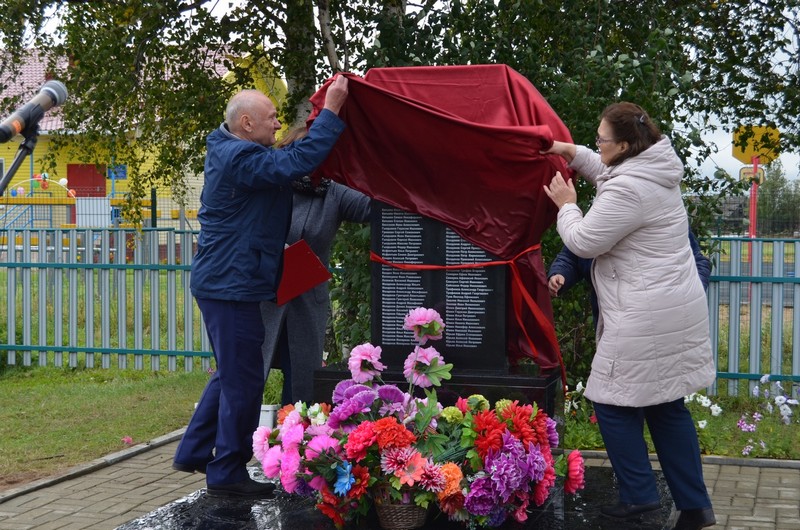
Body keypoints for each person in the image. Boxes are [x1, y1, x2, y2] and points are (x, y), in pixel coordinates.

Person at [172, 76, 349, 499]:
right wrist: (332, 112)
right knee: (245, 380)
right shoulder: (240, 158)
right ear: (247, 122)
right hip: (230, 285)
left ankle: (195, 450)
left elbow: (288, 161)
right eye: (271, 119)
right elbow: (291, 165)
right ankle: (227, 471)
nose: (277, 125)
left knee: (232, 373)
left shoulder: (238, 150)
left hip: (229, 282)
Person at [542, 102, 716, 530]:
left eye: (600, 140)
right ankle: (696, 507)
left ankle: (639, 497)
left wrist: (566, 204)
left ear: (622, 145)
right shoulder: (652, 170)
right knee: (665, 407)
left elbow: (583, 241)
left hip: (645, 315)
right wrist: (569, 150)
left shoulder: (628, 189)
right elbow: (606, 172)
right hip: (673, 307)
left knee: (610, 402)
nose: (596, 145)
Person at [261, 127, 371, 406]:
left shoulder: (333, 191)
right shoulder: (270, 182)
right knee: (247, 372)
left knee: (301, 378)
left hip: (306, 299)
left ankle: (291, 441)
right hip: (263, 294)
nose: (312, 163)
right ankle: (238, 439)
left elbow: (373, 207)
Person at [548, 228, 711, 329]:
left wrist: (692, 293)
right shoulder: (595, 219)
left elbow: (698, 261)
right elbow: (572, 255)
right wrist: (560, 274)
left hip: (658, 326)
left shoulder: (661, 217)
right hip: (610, 324)